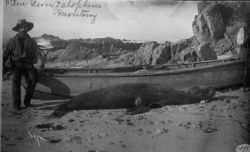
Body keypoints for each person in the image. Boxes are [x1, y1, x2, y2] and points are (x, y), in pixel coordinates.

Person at [3, 19, 43, 110]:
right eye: (21, 27)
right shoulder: (11, 41)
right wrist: (3, 70)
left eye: (25, 27)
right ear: (18, 29)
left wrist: (40, 62)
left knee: (33, 81)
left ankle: (27, 102)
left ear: (27, 28)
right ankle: (16, 105)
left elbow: (38, 53)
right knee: (15, 82)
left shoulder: (32, 42)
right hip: (16, 65)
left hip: (28, 65)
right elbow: (4, 55)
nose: (23, 29)